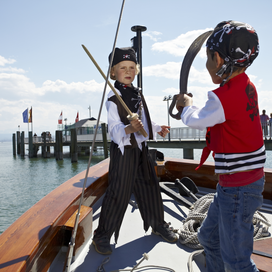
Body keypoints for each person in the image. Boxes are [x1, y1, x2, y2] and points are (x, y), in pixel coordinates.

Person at [175, 21, 266, 272]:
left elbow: (196, 119)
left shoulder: (222, 98)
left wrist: (186, 106)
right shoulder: (247, 86)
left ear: (216, 59)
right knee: (209, 238)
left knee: (237, 263)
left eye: (207, 58)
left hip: (237, 190)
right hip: (241, 184)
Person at [92, 47, 177, 255]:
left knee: (150, 185)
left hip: (141, 148)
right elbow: (113, 129)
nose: (128, 71)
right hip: (123, 151)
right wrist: (129, 128)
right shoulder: (114, 98)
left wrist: (157, 128)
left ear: (136, 70)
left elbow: (145, 119)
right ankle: (102, 235)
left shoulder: (137, 93)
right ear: (113, 72)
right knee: (118, 192)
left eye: (131, 67)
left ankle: (158, 224)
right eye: (122, 68)